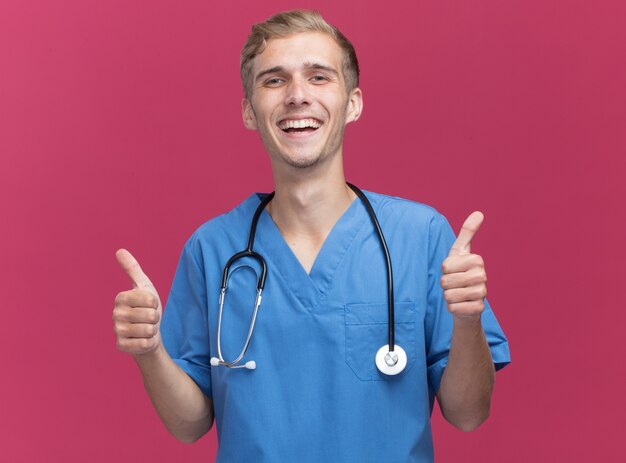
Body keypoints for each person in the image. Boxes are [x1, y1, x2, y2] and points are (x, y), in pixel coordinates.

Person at [112, 9, 510, 462]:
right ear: (248, 110)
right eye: (274, 81)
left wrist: (466, 319)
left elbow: (468, 413)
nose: (297, 96)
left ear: (353, 103)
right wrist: (148, 350)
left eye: (319, 77)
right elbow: (189, 425)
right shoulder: (213, 249)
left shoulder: (421, 237)